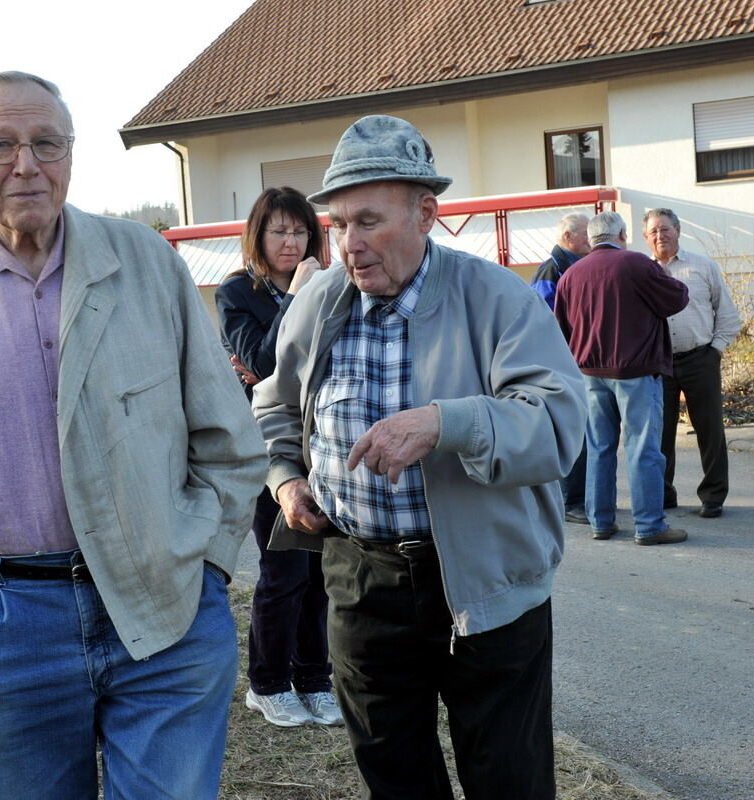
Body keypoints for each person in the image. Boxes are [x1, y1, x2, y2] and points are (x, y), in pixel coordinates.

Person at [0, 71, 268, 800]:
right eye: (1, 145)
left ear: (70, 155)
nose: (26, 164)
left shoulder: (145, 263)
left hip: (162, 609)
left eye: (47, 143)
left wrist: (207, 567)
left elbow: (227, 437)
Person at [252, 114, 587, 800]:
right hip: (361, 576)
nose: (349, 243)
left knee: (508, 778)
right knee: (393, 770)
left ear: (425, 213)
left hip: (485, 579)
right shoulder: (318, 301)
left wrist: (445, 423)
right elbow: (274, 407)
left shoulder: (494, 296)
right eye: (338, 224)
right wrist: (286, 480)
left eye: (368, 220)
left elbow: (558, 425)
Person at [214, 187, 342, 728]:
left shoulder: (331, 285)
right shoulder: (236, 292)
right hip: (268, 447)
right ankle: (267, 684)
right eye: (279, 232)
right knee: (283, 570)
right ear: (258, 236)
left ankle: (314, 677)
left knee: (320, 572)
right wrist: (295, 297)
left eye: (299, 232)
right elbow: (265, 362)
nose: (290, 242)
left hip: (322, 444)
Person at [555, 211, 689, 545]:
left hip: (589, 374)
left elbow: (560, 327)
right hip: (635, 371)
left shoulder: (572, 274)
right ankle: (649, 525)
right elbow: (677, 298)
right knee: (642, 447)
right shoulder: (636, 264)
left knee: (600, 448)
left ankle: (600, 522)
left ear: (592, 238)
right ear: (623, 234)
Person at [642, 208, 741, 518]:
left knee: (710, 429)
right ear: (646, 238)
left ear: (679, 230)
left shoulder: (702, 266)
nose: (660, 235)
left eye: (665, 229)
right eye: (654, 231)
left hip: (701, 359)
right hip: (659, 364)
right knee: (660, 433)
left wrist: (716, 351)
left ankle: (713, 496)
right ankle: (664, 493)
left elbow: (727, 314)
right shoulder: (642, 271)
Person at [531, 213, 592, 524]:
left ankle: (581, 499)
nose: (591, 240)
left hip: (572, 363)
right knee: (573, 435)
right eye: (586, 235)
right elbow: (542, 322)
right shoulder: (552, 270)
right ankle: (571, 502)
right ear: (569, 238)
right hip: (561, 366)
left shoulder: (572, 267)